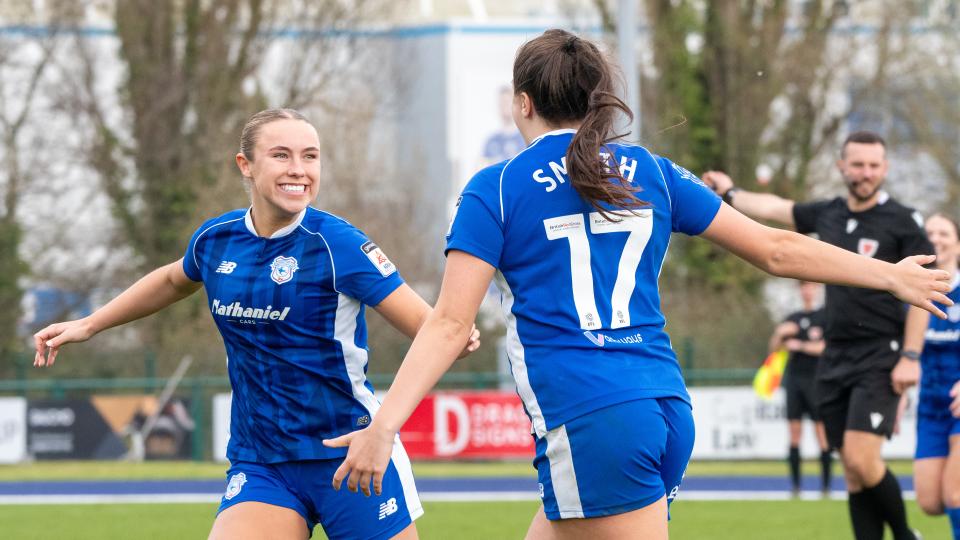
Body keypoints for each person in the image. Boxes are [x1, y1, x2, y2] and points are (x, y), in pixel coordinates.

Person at [322, 30, 951, 540]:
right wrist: (889, 275)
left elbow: (450, 323)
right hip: (662, 406)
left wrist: (384, 426)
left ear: (522, 103)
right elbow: (776, 248)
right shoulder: (650, 169)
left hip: (592, 417)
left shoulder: (498, 187)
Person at [31, 108, 480, 540]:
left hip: (350, 452)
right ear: (245, 165)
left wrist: (457, 333)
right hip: (262, 461)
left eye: (310, 156)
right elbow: (172, 280)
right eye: (281, 155)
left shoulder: (338, 245)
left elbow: (432, 327)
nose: (299, 169)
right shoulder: (216, 239)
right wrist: (91, 324)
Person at [702, 131, 932, 540]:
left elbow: (924, 293)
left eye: (874, 165)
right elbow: (776, 207)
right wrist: (731, 193)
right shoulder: (829, 212)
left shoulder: (903, 221)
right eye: (858, 164)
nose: (866, 173)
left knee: (862, 459)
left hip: (882, 353)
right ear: (842, 166)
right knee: (853, 473)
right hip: (835, 354)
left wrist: (911, 356)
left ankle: (905, 534)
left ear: (885, 168)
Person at [915, 213, 960, 539]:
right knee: (931, 501)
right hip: (930, 406)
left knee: (955, 495)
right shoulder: (909, 294)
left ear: (957, 244)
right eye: (929, 233)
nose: (936, 239)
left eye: (943, 233)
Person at [769, 281, 831, 496]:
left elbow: (827, 348)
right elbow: (774, 349)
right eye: (804, 286)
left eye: (811, 286)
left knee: (821, 434)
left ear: (817, 289)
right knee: (794, 434)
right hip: (794, 381)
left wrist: (801, 345)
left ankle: (826, 487)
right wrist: (780, 333)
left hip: (817, 381)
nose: (808, 290)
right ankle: (796, 487)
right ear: (800, 290)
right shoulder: (792, 318)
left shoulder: (824, 316)